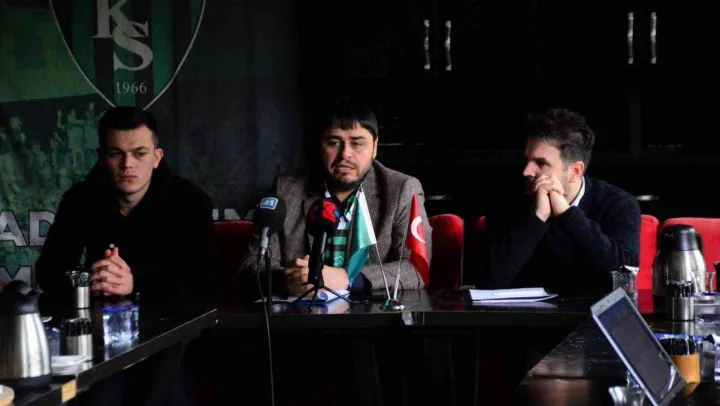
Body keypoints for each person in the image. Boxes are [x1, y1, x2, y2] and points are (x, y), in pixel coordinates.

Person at [240, 98, 432, 298]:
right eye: (333, 143)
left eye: (357, 143)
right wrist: (286, 280)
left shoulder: (402, 189)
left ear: (375, 147)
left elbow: (417, 268)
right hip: (301, 313)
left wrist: (348, 279)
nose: (345, 154)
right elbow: (251, 266)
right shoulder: (287, 190)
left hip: (370, 313)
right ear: (320, 146)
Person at [35, 106, 216, 304]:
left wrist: (135, 282)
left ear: (156, 158)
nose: (127, 164)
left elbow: (203, 279)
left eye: (139, 153)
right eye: (116, 154)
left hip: (172, 317)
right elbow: (48, 273)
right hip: (101, 314)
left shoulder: (190, 201)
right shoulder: (79, 199)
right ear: (101, 157)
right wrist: (94, 280)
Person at [479, 108, 640, 295]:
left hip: (590, 312)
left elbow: (624, 275)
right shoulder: (507, 201)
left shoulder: (617, 203)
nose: (526, 171)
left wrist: (567, 214)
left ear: (575, 171)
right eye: (527, 160)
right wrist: (537, 218)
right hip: (522, 313)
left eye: (541, 163)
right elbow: (488, 282)